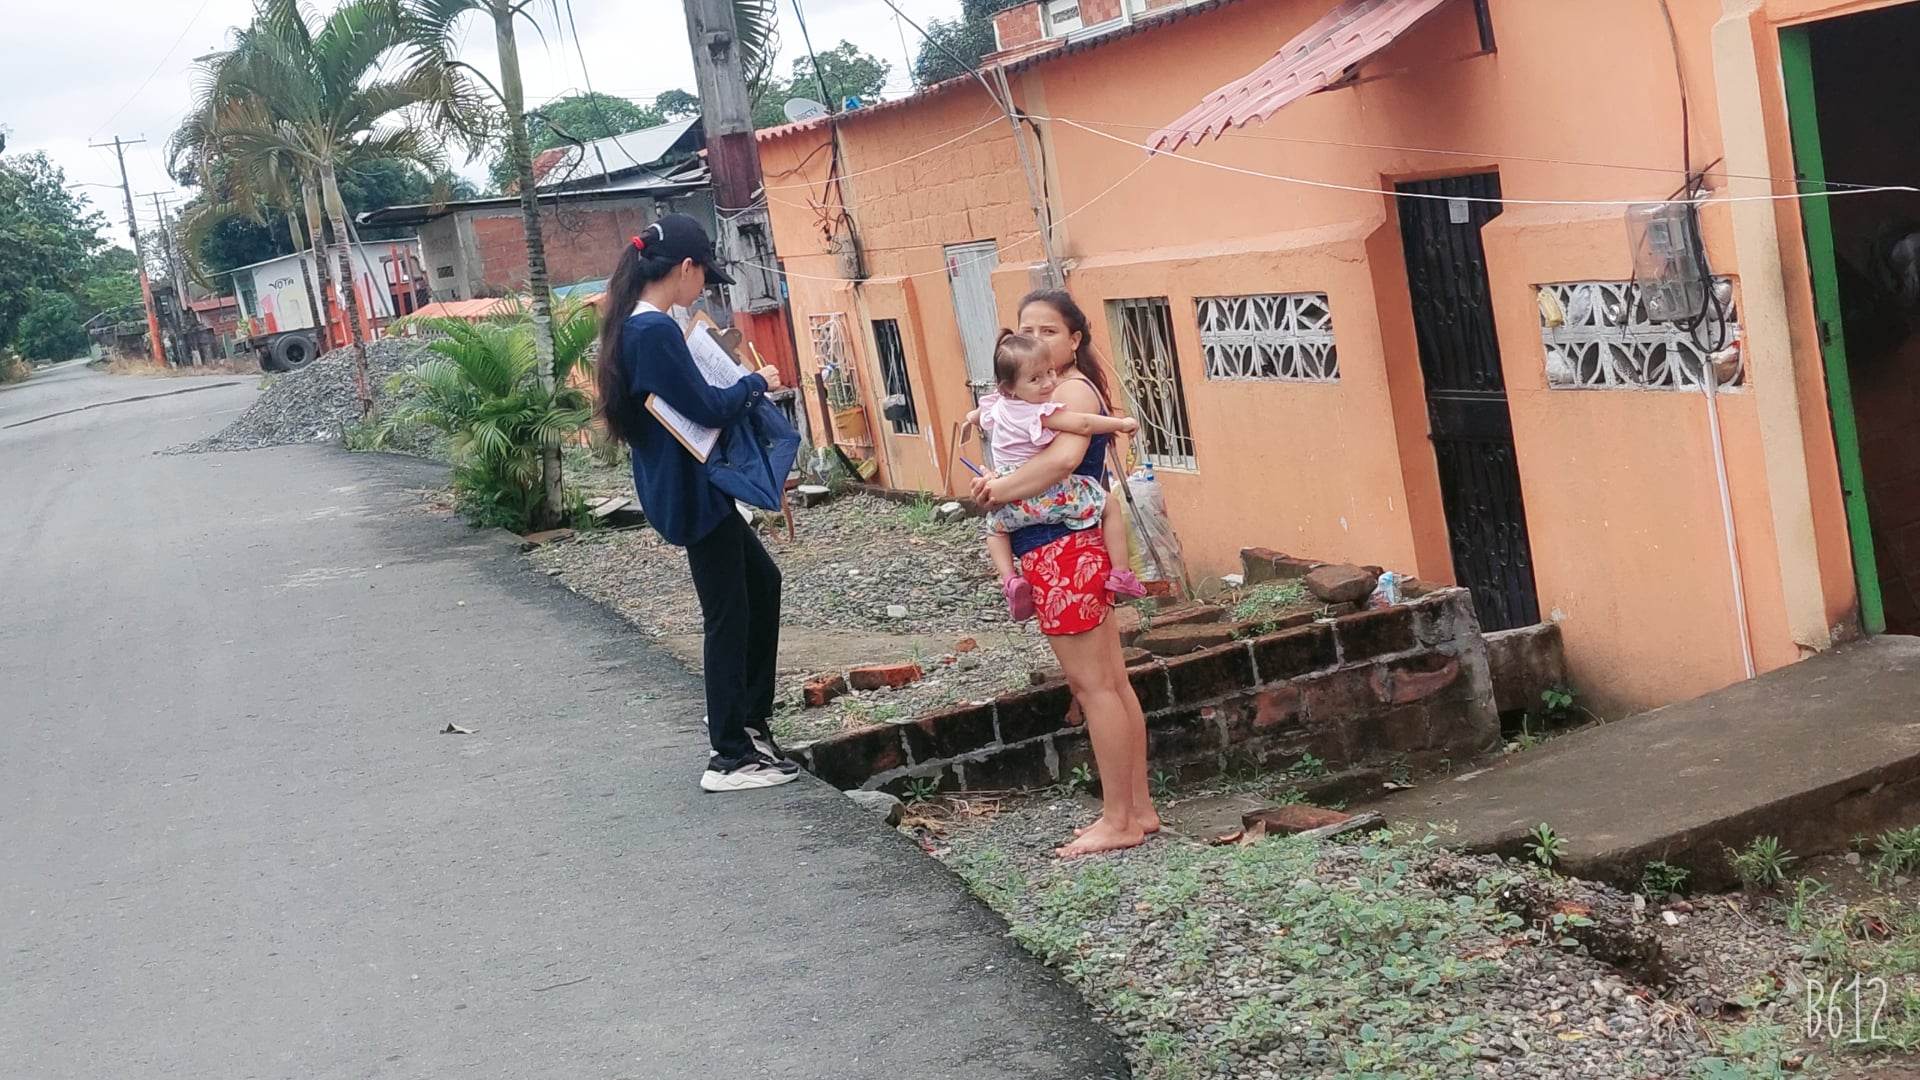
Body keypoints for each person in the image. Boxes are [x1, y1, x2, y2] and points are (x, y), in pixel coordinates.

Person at [594, 214, 797, 792]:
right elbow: (708, 407)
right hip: (691, 490)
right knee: (727, 613)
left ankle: (747, 719)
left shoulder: (636, 326)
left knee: (762, 585)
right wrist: (755, 383)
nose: (703, 287)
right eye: (704, 275)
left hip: (686, 484)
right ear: (685, 268)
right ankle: (728, 755)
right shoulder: (652, 331)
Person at [970, 290, 1160, 856]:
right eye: (1027, 330)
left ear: (1075, 339)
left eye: (1049, 330)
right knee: (1111, 683)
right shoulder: (1036, 393)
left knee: (1094, 688)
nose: (1037, 340)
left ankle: (1119, 821)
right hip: (1066, 548)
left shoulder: (1067, 391)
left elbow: (1062, 461)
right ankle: (1138, 809)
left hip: (1061, 550)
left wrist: (997, 490)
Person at [965, 330, 1144, 621]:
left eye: (1049, 372)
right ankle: (1122, 573)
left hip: (1008, 498)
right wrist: (1120, 424)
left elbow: (977, 416)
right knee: (1109, 504)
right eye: (1035, 379)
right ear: (1010, 388)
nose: (1048, 383)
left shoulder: (997, 406)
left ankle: (1010, 579)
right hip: (1044, 491)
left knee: (995, 531)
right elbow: (1083, 424)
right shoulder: (1039, 413)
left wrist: (969, 420)